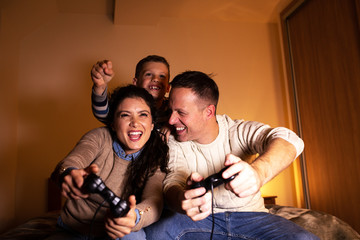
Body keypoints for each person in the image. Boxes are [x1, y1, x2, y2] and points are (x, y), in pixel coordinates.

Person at [145, 71, 319, 239]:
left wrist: (259, 173)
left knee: (304, 238)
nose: (171, 120)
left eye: (181, 113)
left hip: (252, 218)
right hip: (200, 222)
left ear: (209, 112)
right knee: (157, 233)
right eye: (171, 111)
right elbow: (173, 181)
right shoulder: (174, 140)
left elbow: (289, 140)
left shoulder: (237, 131)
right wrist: (181, 198)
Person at [50, 85, 169, 240]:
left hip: (114, 234)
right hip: (72, 230)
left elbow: (154, 200)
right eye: (125, 115)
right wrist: (68, 172)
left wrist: (134, 216)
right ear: (113, 123)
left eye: (143, 115)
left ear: (152, 124)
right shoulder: (99, 137)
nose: (135, 123)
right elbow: (73, 161)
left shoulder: (156, 156)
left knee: (133, 237)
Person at [91, 55, 171, 130]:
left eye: (162, 76)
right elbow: (103, 114)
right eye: (148, 74)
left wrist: (170, 126)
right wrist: (100, 86)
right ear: (135, 83)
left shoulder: (172, 109)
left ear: (168, 87)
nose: (155, 79)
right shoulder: (125, 106)